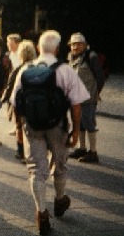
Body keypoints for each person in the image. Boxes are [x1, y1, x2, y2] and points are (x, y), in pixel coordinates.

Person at [10, 30, 89, 235]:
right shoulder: (65, 70)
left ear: (38, 48)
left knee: (36, 169)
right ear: (57, 48)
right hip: (58, 126)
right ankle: (60, 200)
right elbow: (77, 106)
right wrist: (76, 132)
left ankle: (41, 213)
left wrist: (19, 129)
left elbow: (16, 103)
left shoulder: (25, 69)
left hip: (32, 126)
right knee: (60, 165)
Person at [67, 32, 105, 163]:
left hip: (88, 97)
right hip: (76, 98)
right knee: (79, 123)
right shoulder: (71, 57)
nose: (75, 47)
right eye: (73, 44)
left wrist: (96, 93)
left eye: (78, 44)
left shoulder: (91, 57)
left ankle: (93, 152)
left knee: (89, 123)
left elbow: (100, 77)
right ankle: (81, 148)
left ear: (84, 45)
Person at [1, 39, 37, 163]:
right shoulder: (39, 67)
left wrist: (4, 99)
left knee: (19, 126)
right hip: (35, 102)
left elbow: (11, 86)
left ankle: (21, 152)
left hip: (21, 103)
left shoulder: (18, 69)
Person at [6, 33, 22, 136]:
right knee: (12, 104)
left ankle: (19, 127)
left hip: (20, 82)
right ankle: (16, 126)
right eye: (8, 43)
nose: (8, 45)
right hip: (12, 82)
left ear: (17, 43)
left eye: (10, 43)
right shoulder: (10, 55)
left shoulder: (21, 54)